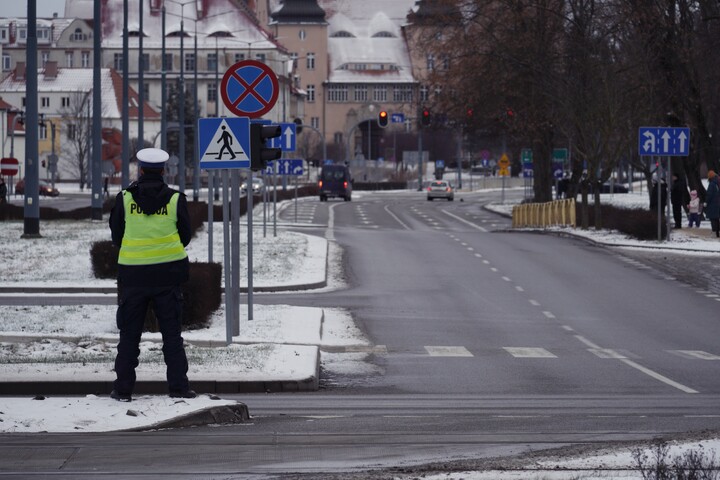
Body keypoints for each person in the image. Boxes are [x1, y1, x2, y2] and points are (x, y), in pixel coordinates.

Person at [108, 148, 195, 402]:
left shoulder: (124, 199)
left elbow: (116, 236)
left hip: (133, 279)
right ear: (163, 171)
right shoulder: (176, 200)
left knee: (129, 337)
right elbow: (186, 236)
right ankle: (179, 388)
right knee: (172, 337)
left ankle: (122, 390)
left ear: (141, 170)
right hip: (168, 278)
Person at [705, 170, 720, 238]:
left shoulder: (712, 184)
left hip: (712, 204)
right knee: (717, 218)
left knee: (713, 218)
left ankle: (714, 232)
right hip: (717, 203)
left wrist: (706, 202)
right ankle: (717, 232)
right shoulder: (717, 182)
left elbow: (709, 195)